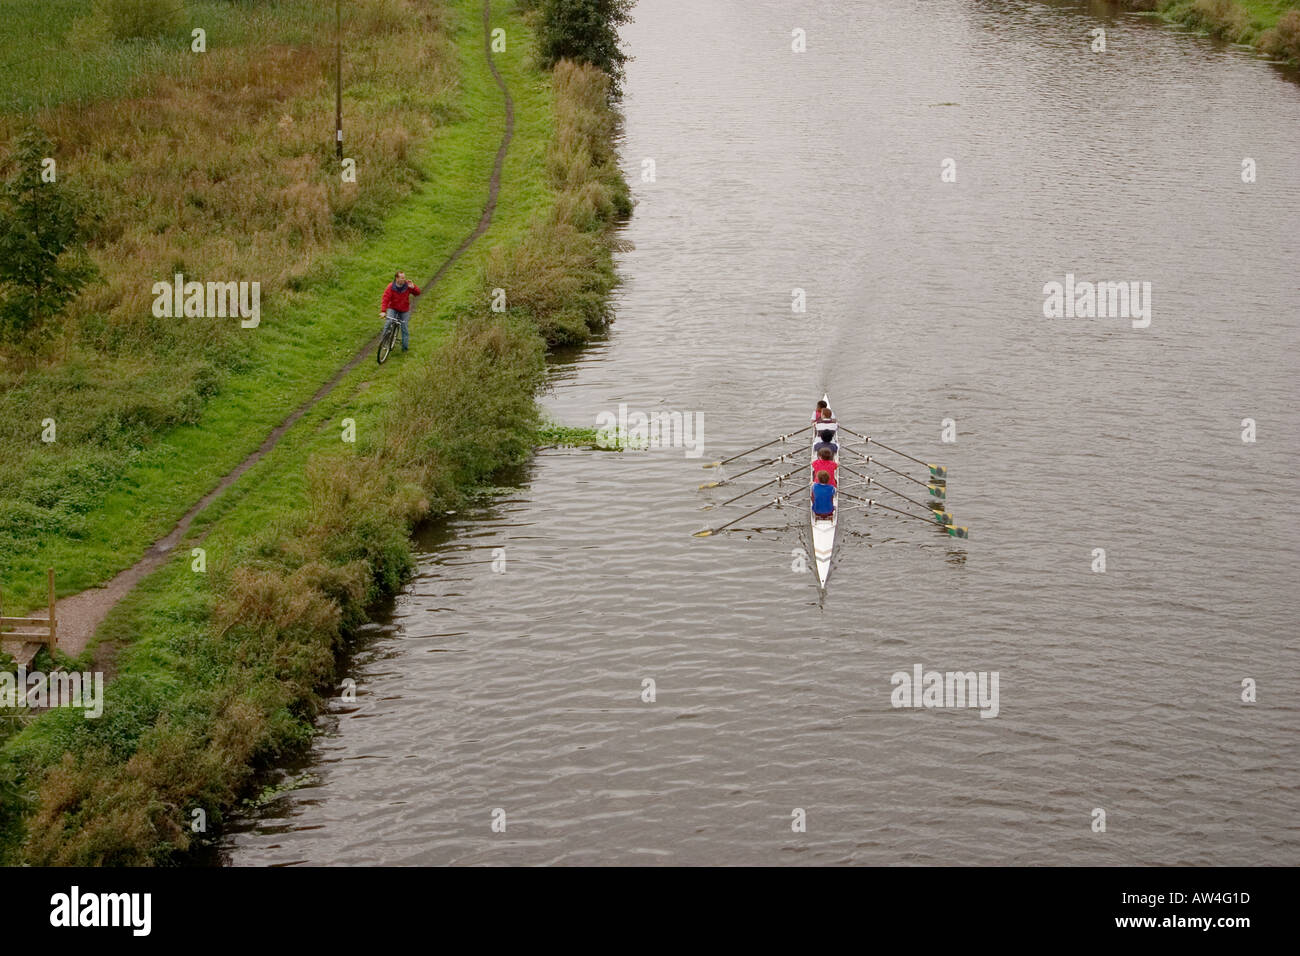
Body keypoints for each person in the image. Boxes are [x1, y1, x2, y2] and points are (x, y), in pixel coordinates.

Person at [380, 270, 422, 352]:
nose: (404, 280)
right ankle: (383, 343)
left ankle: (405, 348)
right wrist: (383, 311)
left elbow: (418, 293)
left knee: (404, 327)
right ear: (397, 278)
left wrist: (413, 287)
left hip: (404, 310)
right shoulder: (391, 287)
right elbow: (385, 298)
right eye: (402, 278)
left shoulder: (408, 285)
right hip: (393, 308)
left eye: (404, 278)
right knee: (388, 322)